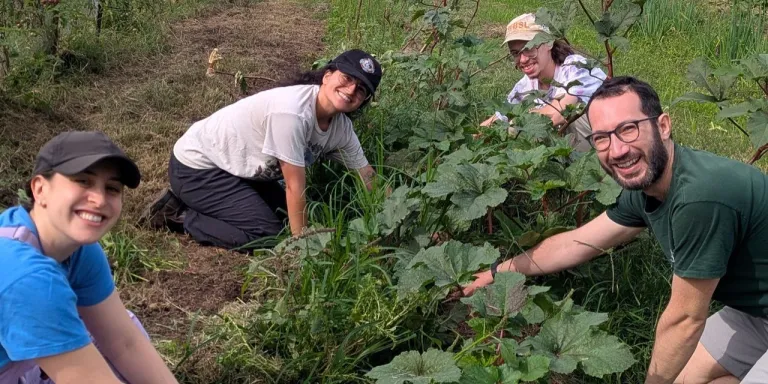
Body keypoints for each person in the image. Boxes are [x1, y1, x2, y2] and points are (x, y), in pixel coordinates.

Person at [463, 76, 768, 383]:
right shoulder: (647, 185)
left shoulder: (698, 198)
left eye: (628, 129)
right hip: (755, 315)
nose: (617, 150)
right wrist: (497, 271)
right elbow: (577, 243)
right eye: (602, 138)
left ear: (662, 126)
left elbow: (685, 319)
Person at [140, 49, 383, 251]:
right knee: (268, 234)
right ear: (327, 76)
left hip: (235, 168)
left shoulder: (341, 128)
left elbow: (367, 176)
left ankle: (220, 207)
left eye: (361, 89)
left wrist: (399, 210)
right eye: (347, 78)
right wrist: (303, 250)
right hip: (197, 168)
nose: (351, 90)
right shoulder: (293, 113)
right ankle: (178, 213)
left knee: (288, 217)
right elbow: (294, 187)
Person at [0, 131, 178, 384]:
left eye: (112, 188)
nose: (99, 199)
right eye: (83, 181)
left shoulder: (77, 249)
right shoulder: (25, 276)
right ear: (40, 189)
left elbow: (124, 343)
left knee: (121, 327)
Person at [480, 13, 607, 151]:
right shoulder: (525, 86)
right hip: (570, 153)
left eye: (528, 49)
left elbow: (558, 114)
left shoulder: (577, 67)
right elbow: (500, 117)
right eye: (516, 53)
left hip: (611, 142)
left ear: (549, 43)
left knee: (570, 117)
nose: (522, 59)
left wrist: (516, 124)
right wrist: (474, 139)